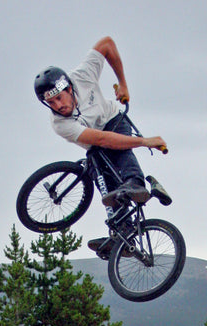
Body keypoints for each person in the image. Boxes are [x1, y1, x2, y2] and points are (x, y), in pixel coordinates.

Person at [34, 36, 170, 257]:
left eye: (60, 98)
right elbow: (102, 140)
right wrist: (144, 141)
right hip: (96, 143)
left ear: (69, 88)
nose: (59, 106)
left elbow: (107, 43)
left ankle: (136, 182)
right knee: (103, 179)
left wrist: (123, 82)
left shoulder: (82, 76)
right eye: (52, 103)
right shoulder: (59, 124)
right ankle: (123, 233)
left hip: (114, 121)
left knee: (119, 155)